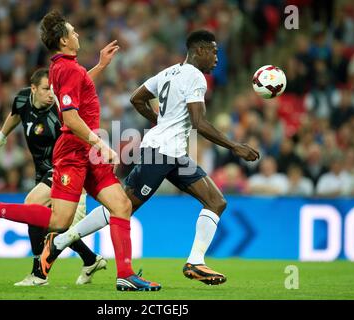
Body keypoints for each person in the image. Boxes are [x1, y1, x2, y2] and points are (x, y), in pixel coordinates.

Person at [0, 11, 161, 292]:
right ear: (63, 40)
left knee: (121, 206)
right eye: (73, 31)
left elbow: (78, 86)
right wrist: (101, 144)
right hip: (74, 151)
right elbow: (69, 118)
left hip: (85, 150)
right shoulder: (66, 68)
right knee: (60, 221)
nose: (78, 34)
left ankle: (126, 275)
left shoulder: (66, 67)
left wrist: (100, 66)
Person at [48, 30, 260, 285]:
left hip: (173, 153)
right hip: (159, 153)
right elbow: (199, 122)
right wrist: (235, 146)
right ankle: (60, 241)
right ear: (200, 51)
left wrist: (161, 122)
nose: (217, 57)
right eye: (214, 52)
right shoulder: (196, 78)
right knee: (123, 207)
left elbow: (137, 99)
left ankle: (195, 262)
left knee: (216, 201)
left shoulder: (169, 72)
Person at [0, 64, 116, 286]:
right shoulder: (22, 99)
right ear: (33, 89)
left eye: (53, 89)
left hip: (65, 170)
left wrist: (99, 67)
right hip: (44, 173)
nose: (51, 94)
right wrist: (0, 139)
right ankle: (90, 259)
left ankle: (37, 273)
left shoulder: (58, 110)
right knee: (55, 226)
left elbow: (79, 84)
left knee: (33, 206)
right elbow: (14, 116)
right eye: (45, 89)